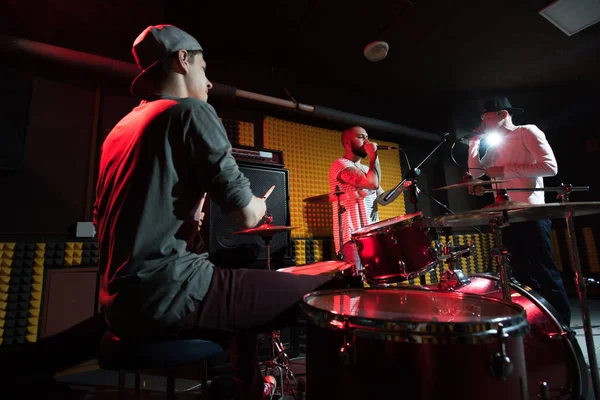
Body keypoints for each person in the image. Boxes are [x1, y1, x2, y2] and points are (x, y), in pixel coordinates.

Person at [3, 24, 335, 400]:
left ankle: (250, 389)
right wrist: (259, 205)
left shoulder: (121, 129)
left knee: (246, 299)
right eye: (204, 69)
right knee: (326, 288)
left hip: (122, 304)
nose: (209, 82)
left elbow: (105, 218)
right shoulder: (192, 113)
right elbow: (244, 215)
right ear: (182, 60)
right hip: (174, 293)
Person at [467, 95, 571, 326]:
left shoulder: (527, 132)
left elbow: (550, 167)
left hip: (531, 212)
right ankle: (534, 323)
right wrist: (474, 143)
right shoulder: (494, 144)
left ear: (503, 114)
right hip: (507, 215)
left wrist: (504, 171)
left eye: (488, 119)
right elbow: (476, 172)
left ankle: (562, 324)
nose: (485, 125)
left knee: (544, 271)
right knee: (521, 275)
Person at [328, 126, 404, 270]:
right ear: (347, 142)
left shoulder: (366, 169)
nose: (367, 141)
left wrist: (402, 187)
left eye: (367, 137)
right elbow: (372, 183)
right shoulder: (340, 164)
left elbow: (382, 198)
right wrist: (374, 156)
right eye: (361, 137)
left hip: (371, 236)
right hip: (352, 238)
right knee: (359, 283)